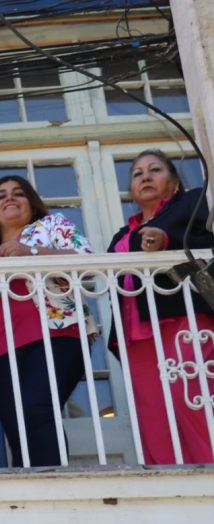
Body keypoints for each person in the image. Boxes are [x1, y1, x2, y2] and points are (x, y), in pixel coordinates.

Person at [0, 175, 94, 467]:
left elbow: (86, 262)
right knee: (18, 429)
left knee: (37, 409)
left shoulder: (53, 226)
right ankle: (34, 503)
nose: (9, 198)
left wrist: (29, 251)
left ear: (31, 202)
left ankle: (56, 491)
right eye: (1, 195)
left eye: (18, 193)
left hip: (57, 334)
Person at [108, 149, 214, 464]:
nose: (146, 177)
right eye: (138, 174)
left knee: (192, 399)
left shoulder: (193, 202)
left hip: (183, 319)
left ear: (174, 182)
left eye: (155, 170)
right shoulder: (122, 234)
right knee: (152, 412)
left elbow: (202, 240)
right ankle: (169, 477)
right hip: (136, 332)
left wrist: (165, 239)